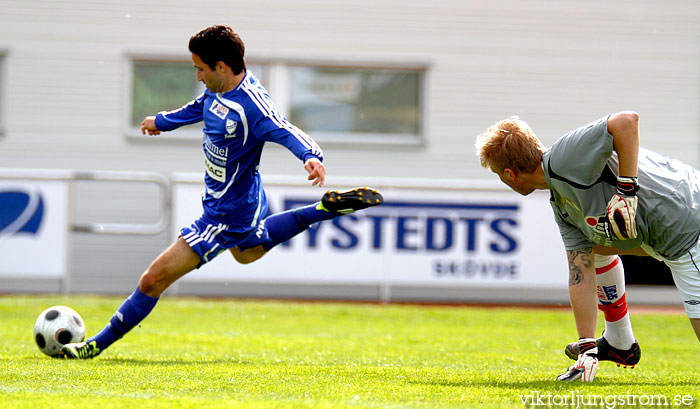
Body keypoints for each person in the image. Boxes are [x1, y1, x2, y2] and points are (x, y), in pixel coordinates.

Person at [59, 25, 383, 359]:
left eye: (200, 68)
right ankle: (321, 211)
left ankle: (93, 346)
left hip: (224, 214)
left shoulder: (252, 106)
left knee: (152, 279)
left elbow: (284, 128)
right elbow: (200, 107)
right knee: (247, 253)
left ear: (221, 67)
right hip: (246, 198)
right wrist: (162, 121)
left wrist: (311, 156)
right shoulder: (220, 89)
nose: (198, 76)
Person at [475, 111, 700, 382]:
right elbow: (580, 270)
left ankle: (619, 341)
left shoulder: (564, 157)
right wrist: (587, 347)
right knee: (595, 248)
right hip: (679, 233)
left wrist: (626, 190)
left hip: (690, 227)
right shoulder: (561, 202)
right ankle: (619, 342)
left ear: (510, 174)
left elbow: (626, 121)